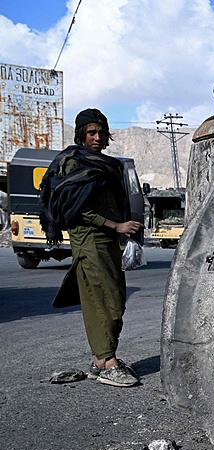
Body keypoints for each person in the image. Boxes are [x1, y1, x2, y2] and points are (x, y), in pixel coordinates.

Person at [41, 108, 143, 387]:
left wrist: (128, 230)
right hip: (88, 240)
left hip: (108, 241)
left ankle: (100, 361)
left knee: (116, 299)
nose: (97, 137)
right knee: (103, 301)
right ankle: (108, 361)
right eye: (91, 132)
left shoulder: (105, 164)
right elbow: (73, 208)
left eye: (101, 132)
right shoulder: (74, 163)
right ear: (81, 135)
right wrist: (115, 225)